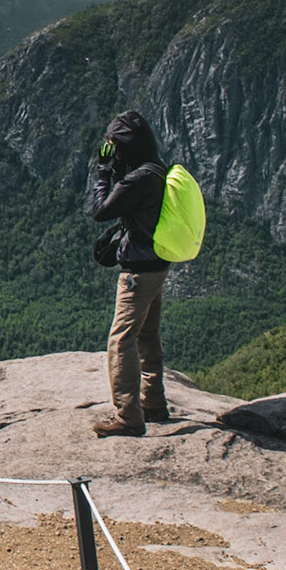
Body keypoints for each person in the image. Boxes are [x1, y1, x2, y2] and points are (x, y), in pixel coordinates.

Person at [88, 110, 170, 436]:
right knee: (148, 336)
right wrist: (120, 166)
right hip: (158, 264)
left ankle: (128, 416)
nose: (113, 149)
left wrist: (104, 171)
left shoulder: (137, 179)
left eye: (116, 145)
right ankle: (154, 403)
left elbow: (101, 211)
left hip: (137, 271)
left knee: (121, 341)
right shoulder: (155, 168)